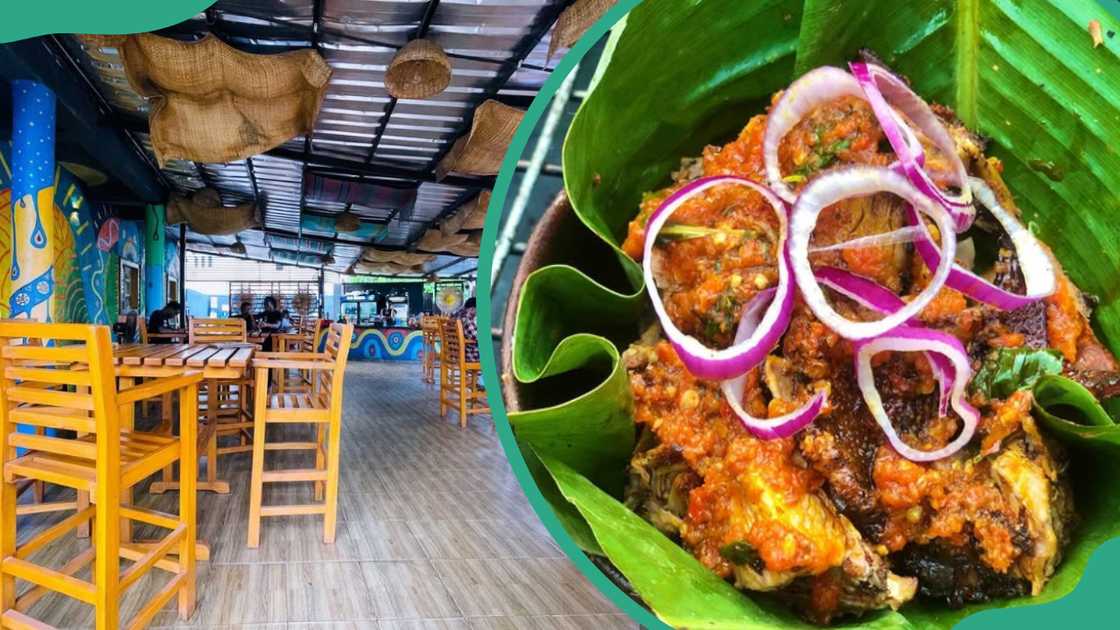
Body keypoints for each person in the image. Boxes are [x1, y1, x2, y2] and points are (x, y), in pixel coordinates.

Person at [455, 297, 479, 362]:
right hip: (471, 356)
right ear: (472, 308)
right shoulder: (466, 319)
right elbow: (476, 337)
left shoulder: (458, 315)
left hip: (457, 353)